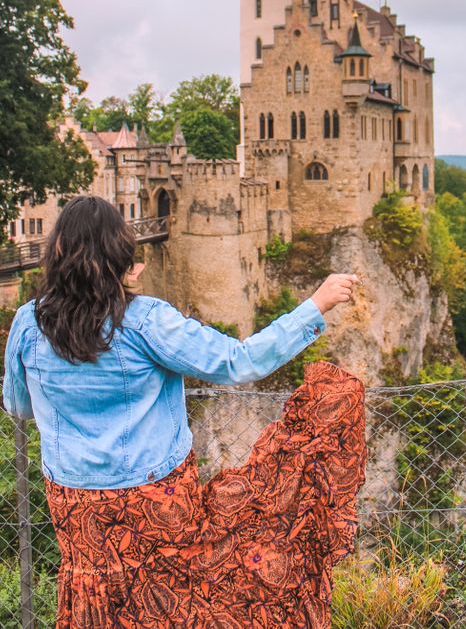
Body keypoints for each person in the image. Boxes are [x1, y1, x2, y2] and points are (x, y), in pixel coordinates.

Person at [3, 195, 367, 628]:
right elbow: (237, 361)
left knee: (97, 602)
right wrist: (316, 305)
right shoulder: (145, 321)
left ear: (56, 254)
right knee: (178, 598)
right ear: (121, 256)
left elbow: (18, 406)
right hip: (158, 502)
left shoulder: (28, 323)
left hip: (76, 506)